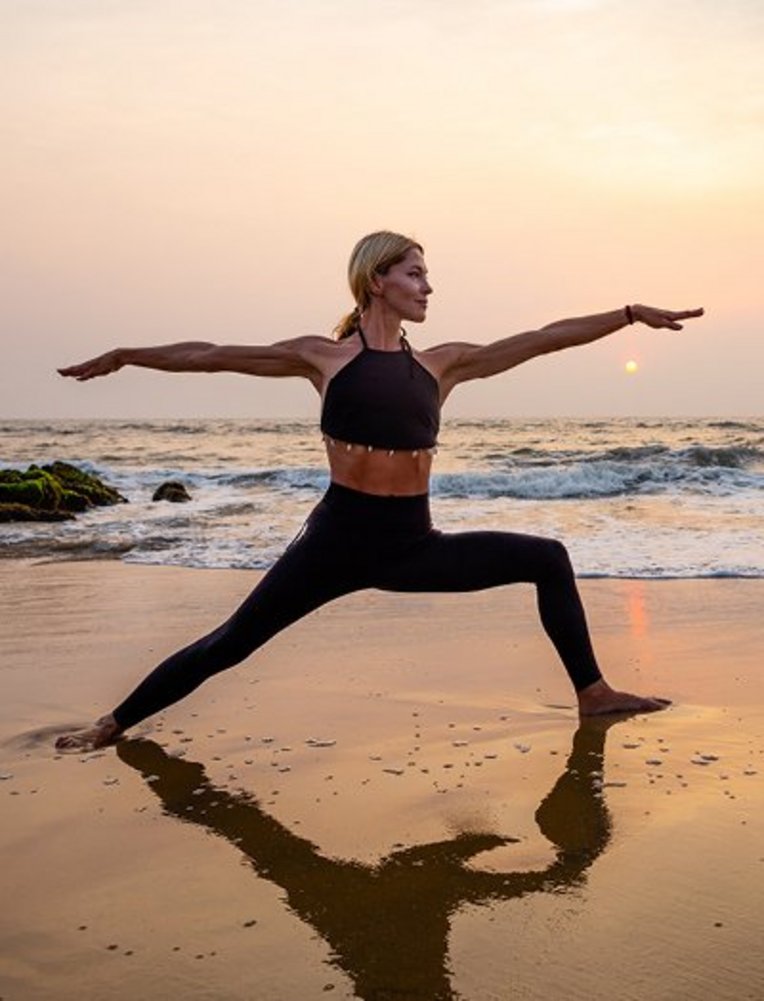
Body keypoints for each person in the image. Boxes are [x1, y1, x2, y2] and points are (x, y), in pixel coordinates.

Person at [55, 230, 704, 750]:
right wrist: (128, 354)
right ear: (377, 281)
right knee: (230, 643)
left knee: (548, 558)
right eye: (415, 274)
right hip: (333, 544)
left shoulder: (441, 365)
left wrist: (626, 316)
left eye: (426, 275)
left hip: (412, 546)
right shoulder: (325, 357)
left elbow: (539, 341)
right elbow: (211, 353)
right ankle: (111, 724)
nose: (428, 287)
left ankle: (593, 693)